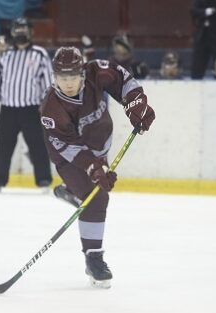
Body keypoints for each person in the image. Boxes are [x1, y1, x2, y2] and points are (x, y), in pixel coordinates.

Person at [39, 47, 155, 288]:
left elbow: (123, 79)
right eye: (62, 77)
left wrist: (136, 103)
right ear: (54, 77)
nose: (68, 83)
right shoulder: (52, 107)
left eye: (73, 76)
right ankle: (94, 259)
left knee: (91, 195)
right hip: (69, 157)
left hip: (99, 146)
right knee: (97, 200)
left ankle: (74, 192)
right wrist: (93, 168)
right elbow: (69, 146)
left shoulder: (97, 71)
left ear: (82, 73)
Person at [0, 17, 53, 192]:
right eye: (17, 29)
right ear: (12, 33)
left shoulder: (39, 53)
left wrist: (46, 104)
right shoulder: (6, 55)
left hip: (31, 108)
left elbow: (47, 81)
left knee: (37, 145)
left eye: (24, 29)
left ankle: (44, 180)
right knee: (4, 146)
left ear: (30, 32)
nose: (21, 32)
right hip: (8, 108)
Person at [190, 0, 216, 79]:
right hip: (202, 35)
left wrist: (205, 9)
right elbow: (194, 10)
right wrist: (207, 11)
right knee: (197, 67)